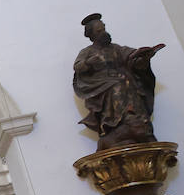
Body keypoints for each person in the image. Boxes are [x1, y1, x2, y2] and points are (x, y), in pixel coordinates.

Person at [71, 13, 165, 150]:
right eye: (99, 31)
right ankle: (119, 120)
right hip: (102, 85)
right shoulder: (88, 51)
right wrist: (89, 62)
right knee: (118, 84)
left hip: (124, 81)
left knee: (129, 82)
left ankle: (137, 118)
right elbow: (78, 66)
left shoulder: (116, 48)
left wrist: (142, 58)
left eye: (104, 29)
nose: (103, 33)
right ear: (91, 34)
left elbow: (131, 57)